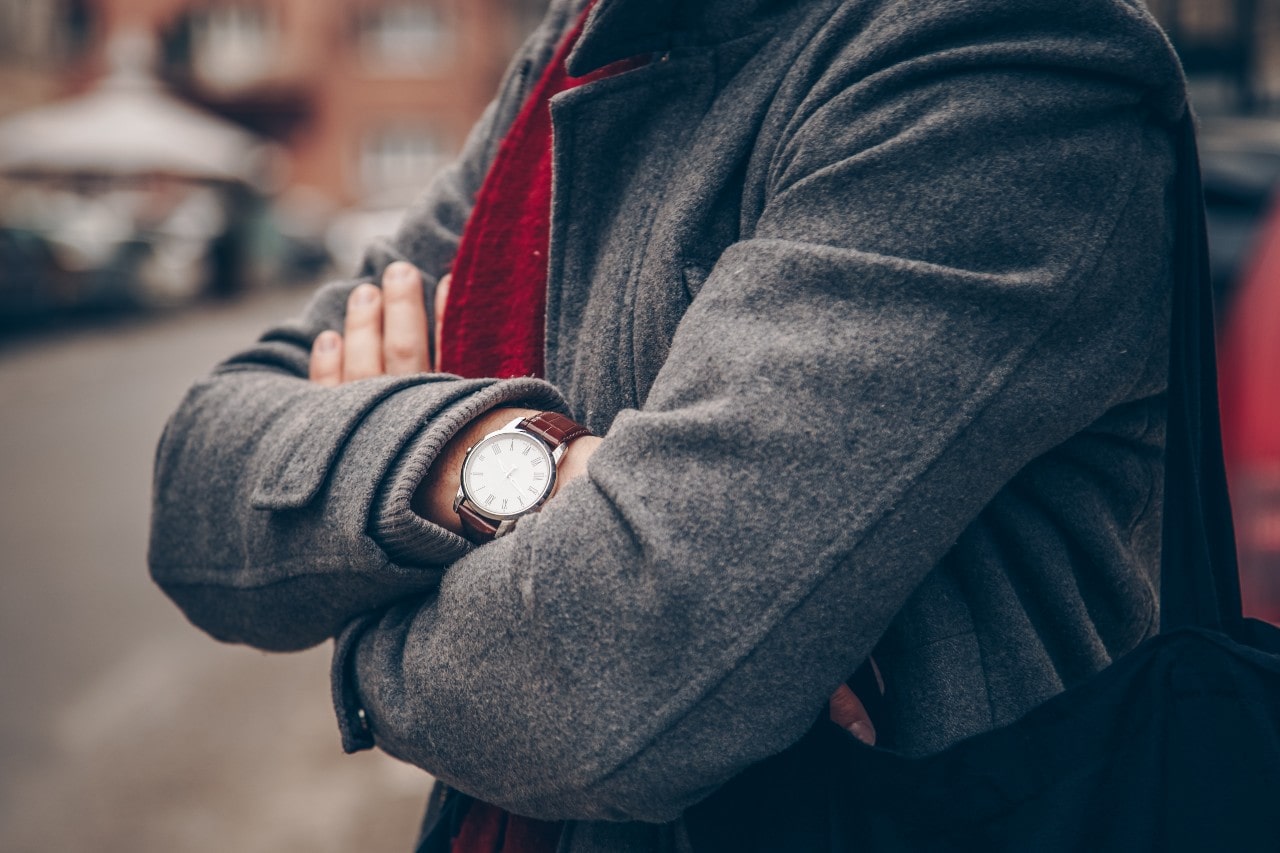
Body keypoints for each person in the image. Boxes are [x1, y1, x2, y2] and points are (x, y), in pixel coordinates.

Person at [149, 0, 1189, 849]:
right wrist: (501, 465)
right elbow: (193, 485)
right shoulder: (571, 55)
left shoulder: (1000, 51)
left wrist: (361, 610)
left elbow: (600, 695)